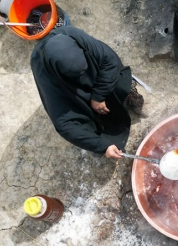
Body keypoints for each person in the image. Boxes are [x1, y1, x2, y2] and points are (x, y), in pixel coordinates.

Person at [30, 26, 143, 159]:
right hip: (72, 92)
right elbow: (64, 124)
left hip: (97, 77)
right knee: (83, 126)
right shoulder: (43, 71)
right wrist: (102, 145)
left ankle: (128, 96)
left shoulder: (72, 35)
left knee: (119, 81)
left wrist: (98, 96)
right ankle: (97, 140)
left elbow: (110, 62)